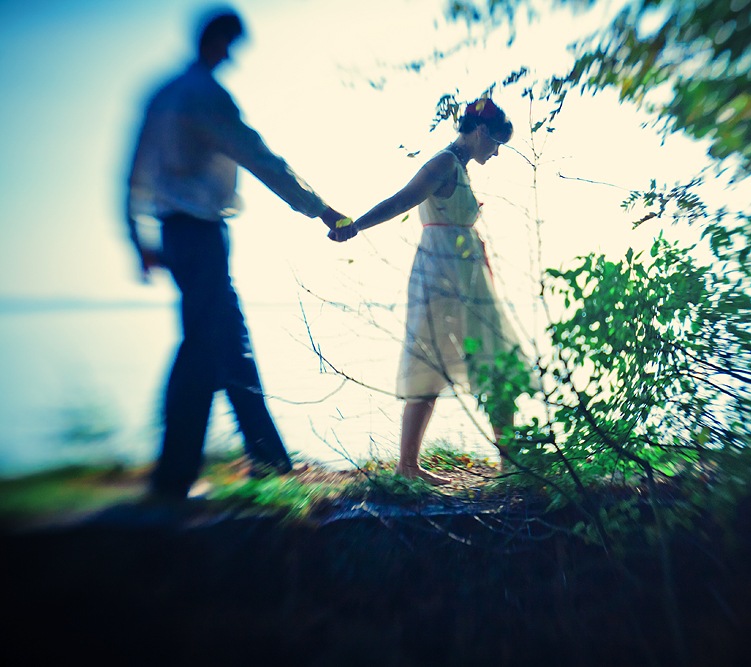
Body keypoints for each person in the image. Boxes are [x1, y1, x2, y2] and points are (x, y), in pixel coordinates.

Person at [124, 7, 351, 500]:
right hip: (201, 235)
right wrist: (321, 209)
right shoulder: (205, 96)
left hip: (175, 234)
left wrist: (138, 239)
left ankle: (268, 463)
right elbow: (259, 157)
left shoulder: (162, 95)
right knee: (203, 349)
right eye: (229, 46)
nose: (231, 58)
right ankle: (174, 479)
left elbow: (133, 173)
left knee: (229, 344)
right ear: (217, 41)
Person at [331, 98, 529, 484]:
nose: (497, 152)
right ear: (480, 132)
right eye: (496, 143)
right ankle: (408, 467)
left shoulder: (460, 168)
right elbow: (402, 200)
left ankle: (511, 466)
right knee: (432, 362)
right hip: (441, 278)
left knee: (493, 360)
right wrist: (356, 226)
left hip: (465, 278)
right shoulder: (443, 164)